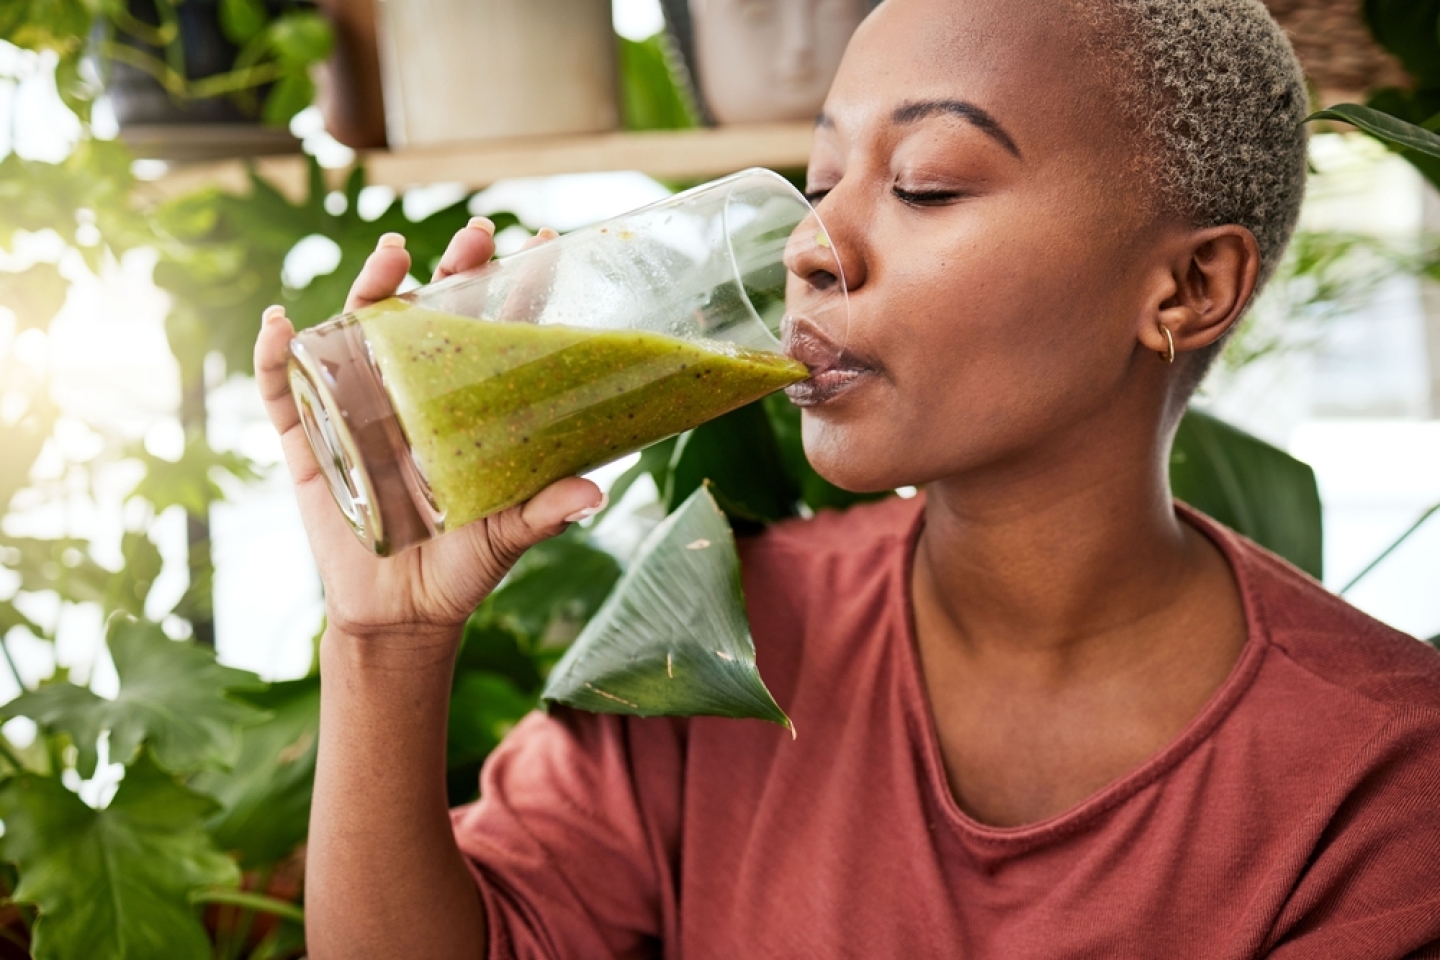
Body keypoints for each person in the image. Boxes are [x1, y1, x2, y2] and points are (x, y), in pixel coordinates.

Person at [253, 0, 1440, 956]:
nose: (815, 245)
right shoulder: (716, 632)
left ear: (1187, 290)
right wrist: (384, 640)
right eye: (821, 179)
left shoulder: (1381, 778)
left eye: (924, 182)